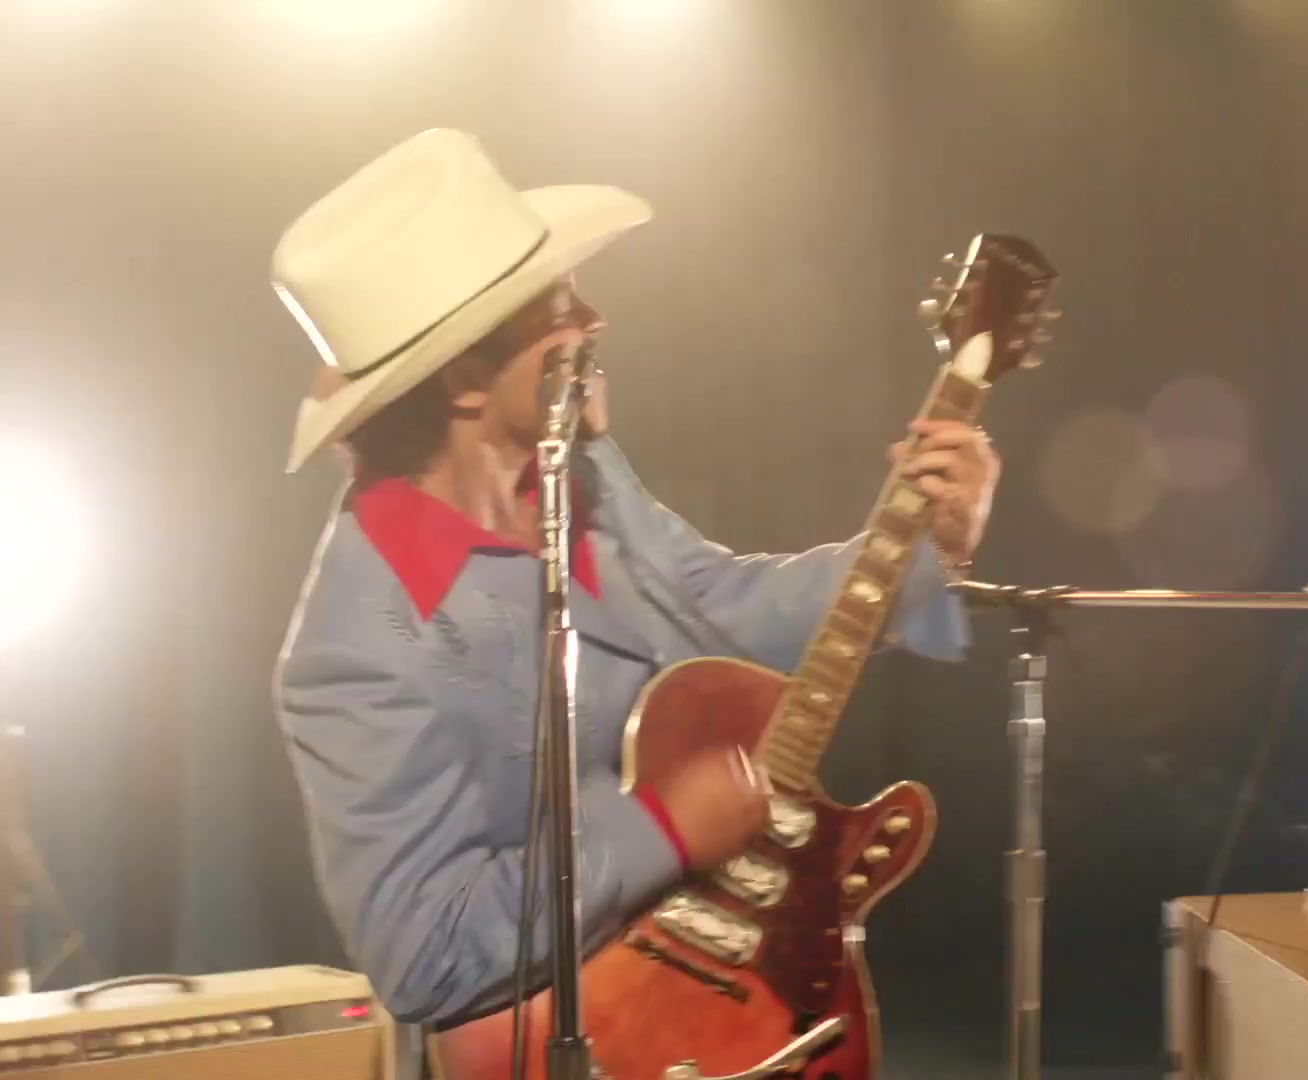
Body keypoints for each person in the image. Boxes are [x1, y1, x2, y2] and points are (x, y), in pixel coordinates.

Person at [269, 129, 999, 1042]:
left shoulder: (581, 473)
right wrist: (662, 828)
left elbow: (717, 602)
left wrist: (926, 547)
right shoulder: (362, 649)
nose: (595, 320)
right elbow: (427, 954)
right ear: (465, 379)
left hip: (726, 1004)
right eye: (558, 308)